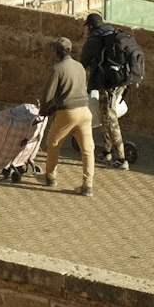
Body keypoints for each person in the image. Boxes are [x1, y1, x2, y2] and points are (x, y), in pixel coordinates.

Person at [39, 37, 96, 196]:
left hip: (67, 112)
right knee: (87, 149)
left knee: (53, 142)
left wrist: (44, 109)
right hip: (85, 111)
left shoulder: (57, 69)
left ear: (58, 52)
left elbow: (48, 94)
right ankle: (87, 185)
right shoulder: (79, 67)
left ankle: (50, 177)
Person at [81, 12, 130, 170]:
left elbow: (83, 63)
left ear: (90, 27)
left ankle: (121, 159)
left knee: (110, 118)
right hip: (121, 81)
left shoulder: (94, 40)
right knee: (105, 113)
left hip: (108, 83)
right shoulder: (113, 32)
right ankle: (107, 151)